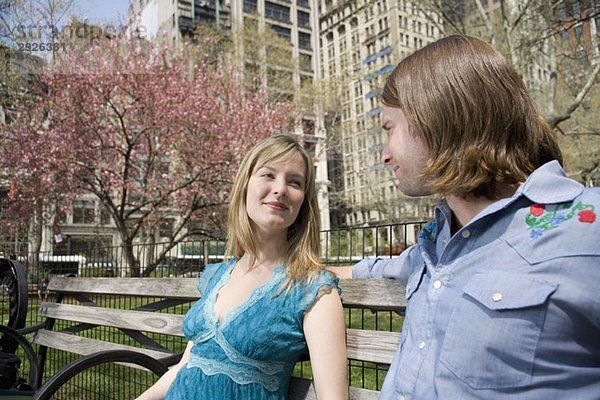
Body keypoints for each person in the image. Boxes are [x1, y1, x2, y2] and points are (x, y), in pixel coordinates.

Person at [336, 35, 600, 399]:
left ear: (437, 117)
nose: (384, 155)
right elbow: (373, 269)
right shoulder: (436, 246)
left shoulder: (587, 226)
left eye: (389, 129)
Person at [136, 134, 348, 400]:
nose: (281, 188)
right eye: (268, 175)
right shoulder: (219, 277)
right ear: (245, 185)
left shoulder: (313, 290)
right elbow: (186, 366)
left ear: (303, 202)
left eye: (294, 182)